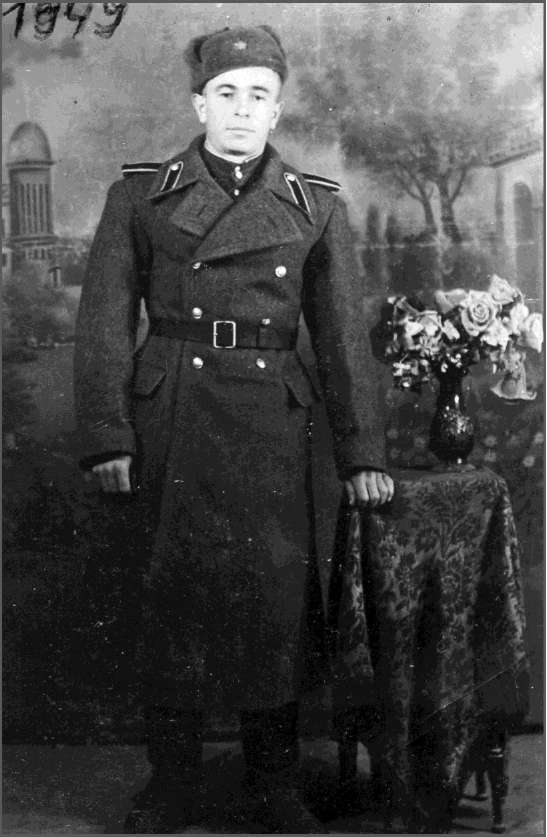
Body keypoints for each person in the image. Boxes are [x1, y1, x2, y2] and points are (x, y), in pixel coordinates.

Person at [74, 24, 394, 834]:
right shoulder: (139, 198)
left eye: (259, 95)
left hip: (270, 423)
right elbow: (104, 324)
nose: (242, 109)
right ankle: (171, 782)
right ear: (199, 105)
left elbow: (341, 340)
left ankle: (274, 782)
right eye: (226, 93)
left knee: (271, 598)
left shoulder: (314, 206)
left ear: (277, 111)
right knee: (171, 591)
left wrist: (361, 452)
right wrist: (108, 435)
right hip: (171, 414)